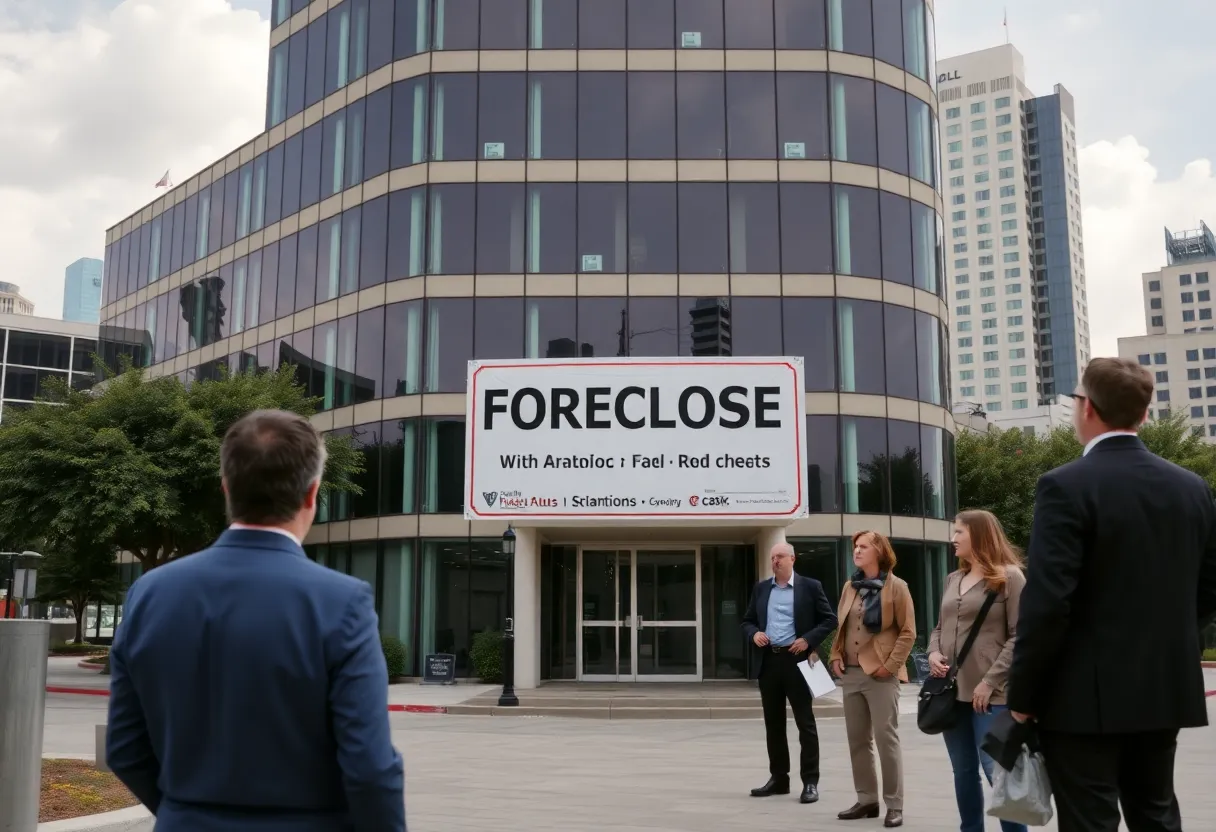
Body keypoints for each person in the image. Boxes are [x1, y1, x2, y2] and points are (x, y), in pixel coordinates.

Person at [106, 410, 406, 832]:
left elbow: (124, 749)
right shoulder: (342, 602)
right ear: (312, 494)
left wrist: (187, 810)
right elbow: (371, 769)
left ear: (227, 487)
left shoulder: (149, 594)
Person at [1006, 357, 1216, 832]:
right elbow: (1207, 587)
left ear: (1086, 408)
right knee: (1156, 813)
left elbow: (1048, 604)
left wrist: (1023, 695)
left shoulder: (1064, 486)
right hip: (1164, 687)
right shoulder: (1192, 488)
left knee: (1089, 821)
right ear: (1143, 414)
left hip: (1081, 696)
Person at [929, 510, 1027, 832]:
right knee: (963, 772)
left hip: (993, 695)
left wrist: (989, 682)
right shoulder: (952, 579)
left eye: (959, 532)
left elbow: (1021, 635)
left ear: (980, 536)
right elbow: (939, 628)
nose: (953, 539)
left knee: (1000, 774)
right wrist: (932, 653)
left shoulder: (1009, 577)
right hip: (950, 692)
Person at [829, 530, 916, 829]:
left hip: (881, 675)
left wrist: (890, 666)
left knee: (885, 739)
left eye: (863, 546)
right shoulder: (849, 586)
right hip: (851, 675)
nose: (857, 550)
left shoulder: (897, 587)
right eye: (855, 546)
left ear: (879, 551)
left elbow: (908, 632)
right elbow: (841, 625)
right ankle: (867, 799)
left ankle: (894, 804)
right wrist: (835, 655)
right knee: (857, 740)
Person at [742, 542, 838, 804]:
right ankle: (779, 779)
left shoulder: (810, 587)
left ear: (793, 559)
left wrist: (808, 640)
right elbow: (747, 620)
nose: (775, 561)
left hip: (797, 660)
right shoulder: (762, 589)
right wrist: (755, 633)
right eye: (773, 557)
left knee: (805, 723)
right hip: (769, 662)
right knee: (773, 725)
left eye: (780, 557)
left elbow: (830, 619)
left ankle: (810, 782)